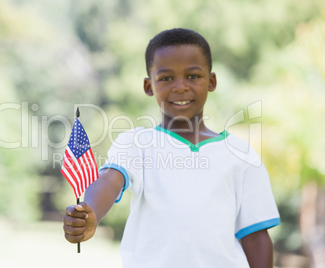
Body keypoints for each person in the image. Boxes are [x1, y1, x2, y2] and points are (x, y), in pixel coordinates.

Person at [63, 28, 280, 268]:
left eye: (193, 76)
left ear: (211, 81)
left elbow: (256, 236)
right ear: (149, 86)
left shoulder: (241, 155)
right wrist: (90, 212)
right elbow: (108, 180)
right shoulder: (136, 144)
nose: (180, 87)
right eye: (166, 78)